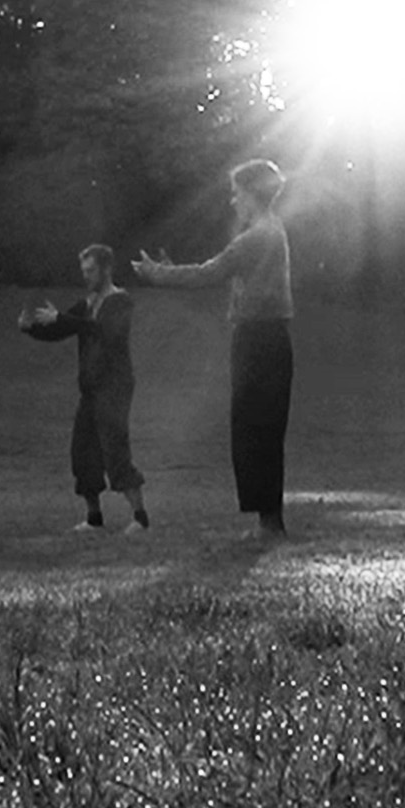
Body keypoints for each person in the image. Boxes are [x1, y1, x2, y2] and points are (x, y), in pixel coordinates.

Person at [134, 158, 293, 541]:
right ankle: (267, 521)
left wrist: (157, 273)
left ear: (252, 194)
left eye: (236, 193)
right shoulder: (270, 231)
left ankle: (269, 524)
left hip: (258, 340)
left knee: (254, 429)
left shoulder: (257, 237)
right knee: (261, 429)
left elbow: (209, 272)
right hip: (268, 339)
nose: (232, 201)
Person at [18, 244, 149, 535]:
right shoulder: (88, 303)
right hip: (91, 389)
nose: (87, 277)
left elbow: (104, 331)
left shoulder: (120, 301)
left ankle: (140, 517)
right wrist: (30, 327)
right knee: (82, 452)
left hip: (114, 387)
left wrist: (63, 320)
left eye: (91, 271)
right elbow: (62, 329)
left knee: (115, 450)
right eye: (84, 271)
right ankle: (94, 518)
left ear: (106, 269)